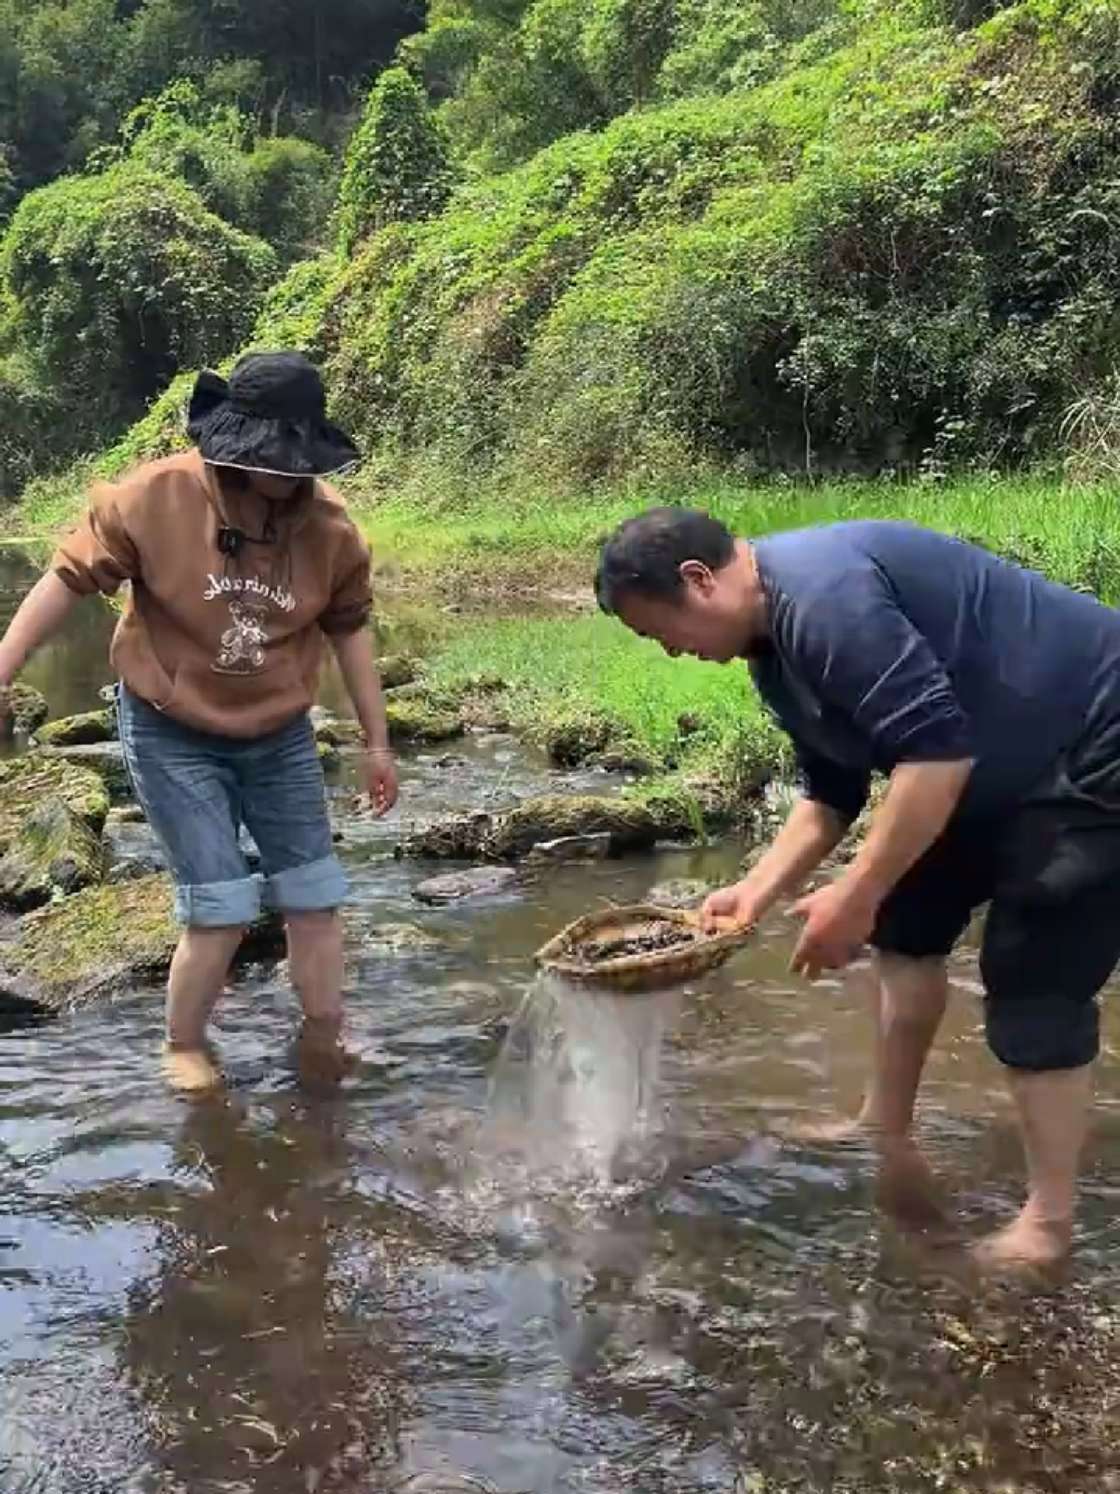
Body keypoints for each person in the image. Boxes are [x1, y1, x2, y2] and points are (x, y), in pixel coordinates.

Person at [595, 506, 1120, 1269]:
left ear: (698, 579)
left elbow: (934, 757)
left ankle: (1048, 1225)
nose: (672, 652)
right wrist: (756, 890)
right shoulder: (772, 653)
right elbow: (832, 792)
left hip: (1097, 745)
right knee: (906, 923)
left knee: (1032, 974)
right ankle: (885, 1124)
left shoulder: (826, 598)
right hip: (991, 761)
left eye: (660, 633)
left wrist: (855, 892)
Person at [0, 351, 399, 1092]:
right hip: (170, 727)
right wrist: (3, 667)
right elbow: (67, 579)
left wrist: (378, 744)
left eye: (295, 461)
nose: (285, 475)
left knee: (314, 894)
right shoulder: (155, 498)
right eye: (270, 459)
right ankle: (184, 1043)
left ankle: (324, 1032)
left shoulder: (333, 531)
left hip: (278, 734)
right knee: (219, 904)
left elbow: (350, 633)